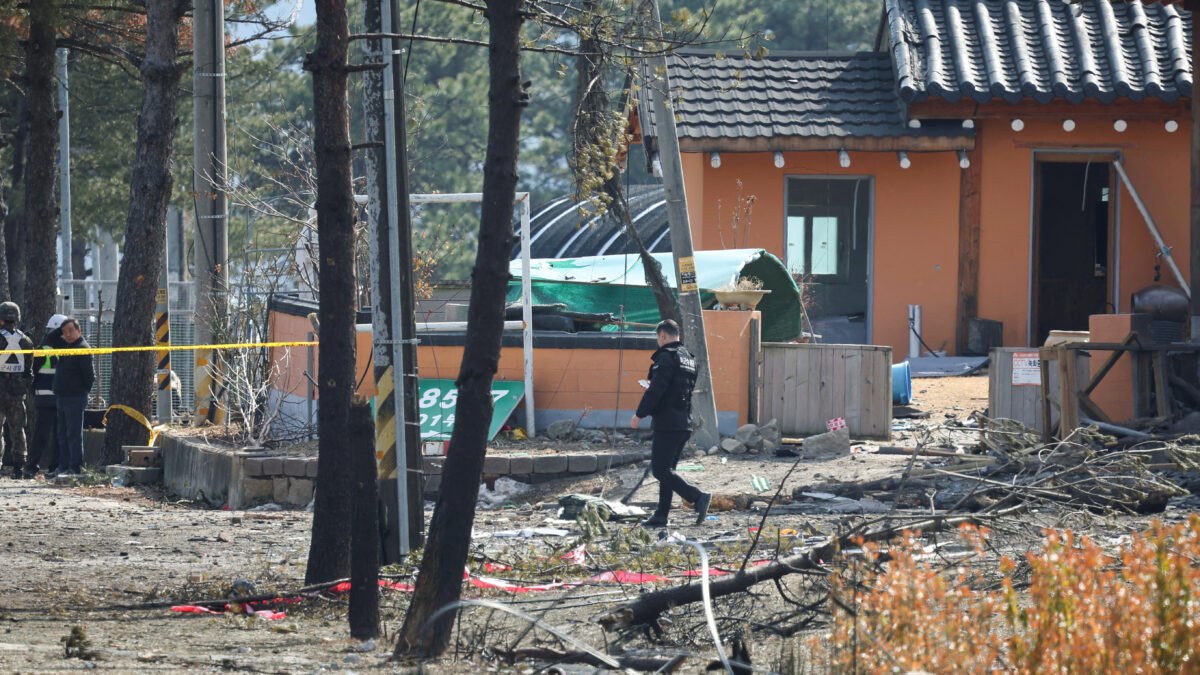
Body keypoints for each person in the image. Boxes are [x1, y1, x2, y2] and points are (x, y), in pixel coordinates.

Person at [630, 319, 711, 528]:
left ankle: (697, 497)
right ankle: (661, 515)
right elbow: (678, 389)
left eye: (658, 338)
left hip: (667, 422)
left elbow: (657, 391)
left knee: (660, 471)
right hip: (683, 422)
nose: (658, 342)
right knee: (668, 472)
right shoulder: (689, 359)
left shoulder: (666, 358)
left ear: (663, 336)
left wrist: (639, 415)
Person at [25, 314, 67, 477]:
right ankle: (54, 467)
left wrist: (34, 390)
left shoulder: (42, 349)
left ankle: (31, 467)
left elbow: (32, 373)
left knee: (40, 434)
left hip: (43, 397)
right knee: (58, 434)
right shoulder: (68, 349)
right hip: (60, 398)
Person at [54, 316, 93, 476]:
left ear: (79, 331)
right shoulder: (66, 346)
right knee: (62, 434)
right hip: (62, 397)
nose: (67, 334)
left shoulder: (82, 348)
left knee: (73, 434)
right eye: (64, 332)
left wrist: (81, 392)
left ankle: (75, 466)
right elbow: (52, 338)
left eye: (71, 331)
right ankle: (63, 466)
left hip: (75, 398)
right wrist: (61, 330)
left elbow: (89, 377)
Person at [0, 302, 34, 479]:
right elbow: (29, 370)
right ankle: (19, 468)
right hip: (16, 394)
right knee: (18, 430)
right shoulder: (26, 341)